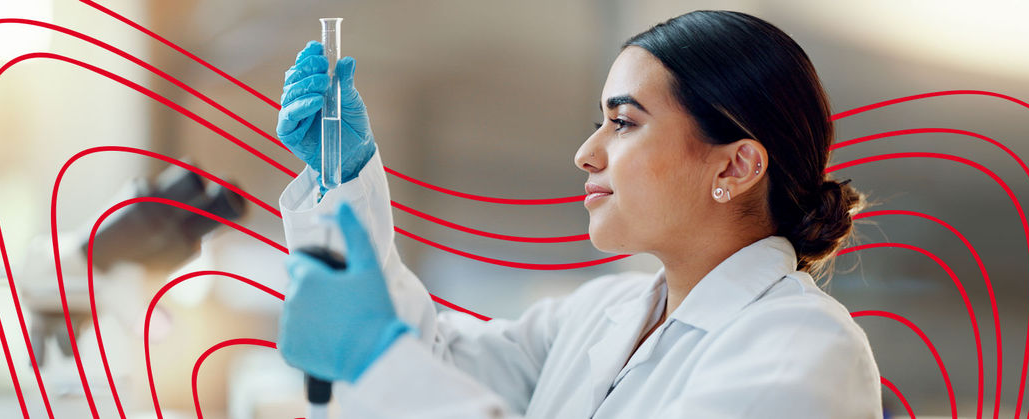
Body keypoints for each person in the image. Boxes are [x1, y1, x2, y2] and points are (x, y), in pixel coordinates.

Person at [274, 10, 881, 418]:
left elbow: (403, 376)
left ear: (734, 167)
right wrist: (346, 178)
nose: (586, 154)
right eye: (600, 123)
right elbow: (432, 363)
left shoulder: (804, 347)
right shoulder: (598, 317)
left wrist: (378, 359)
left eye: (624, 122)